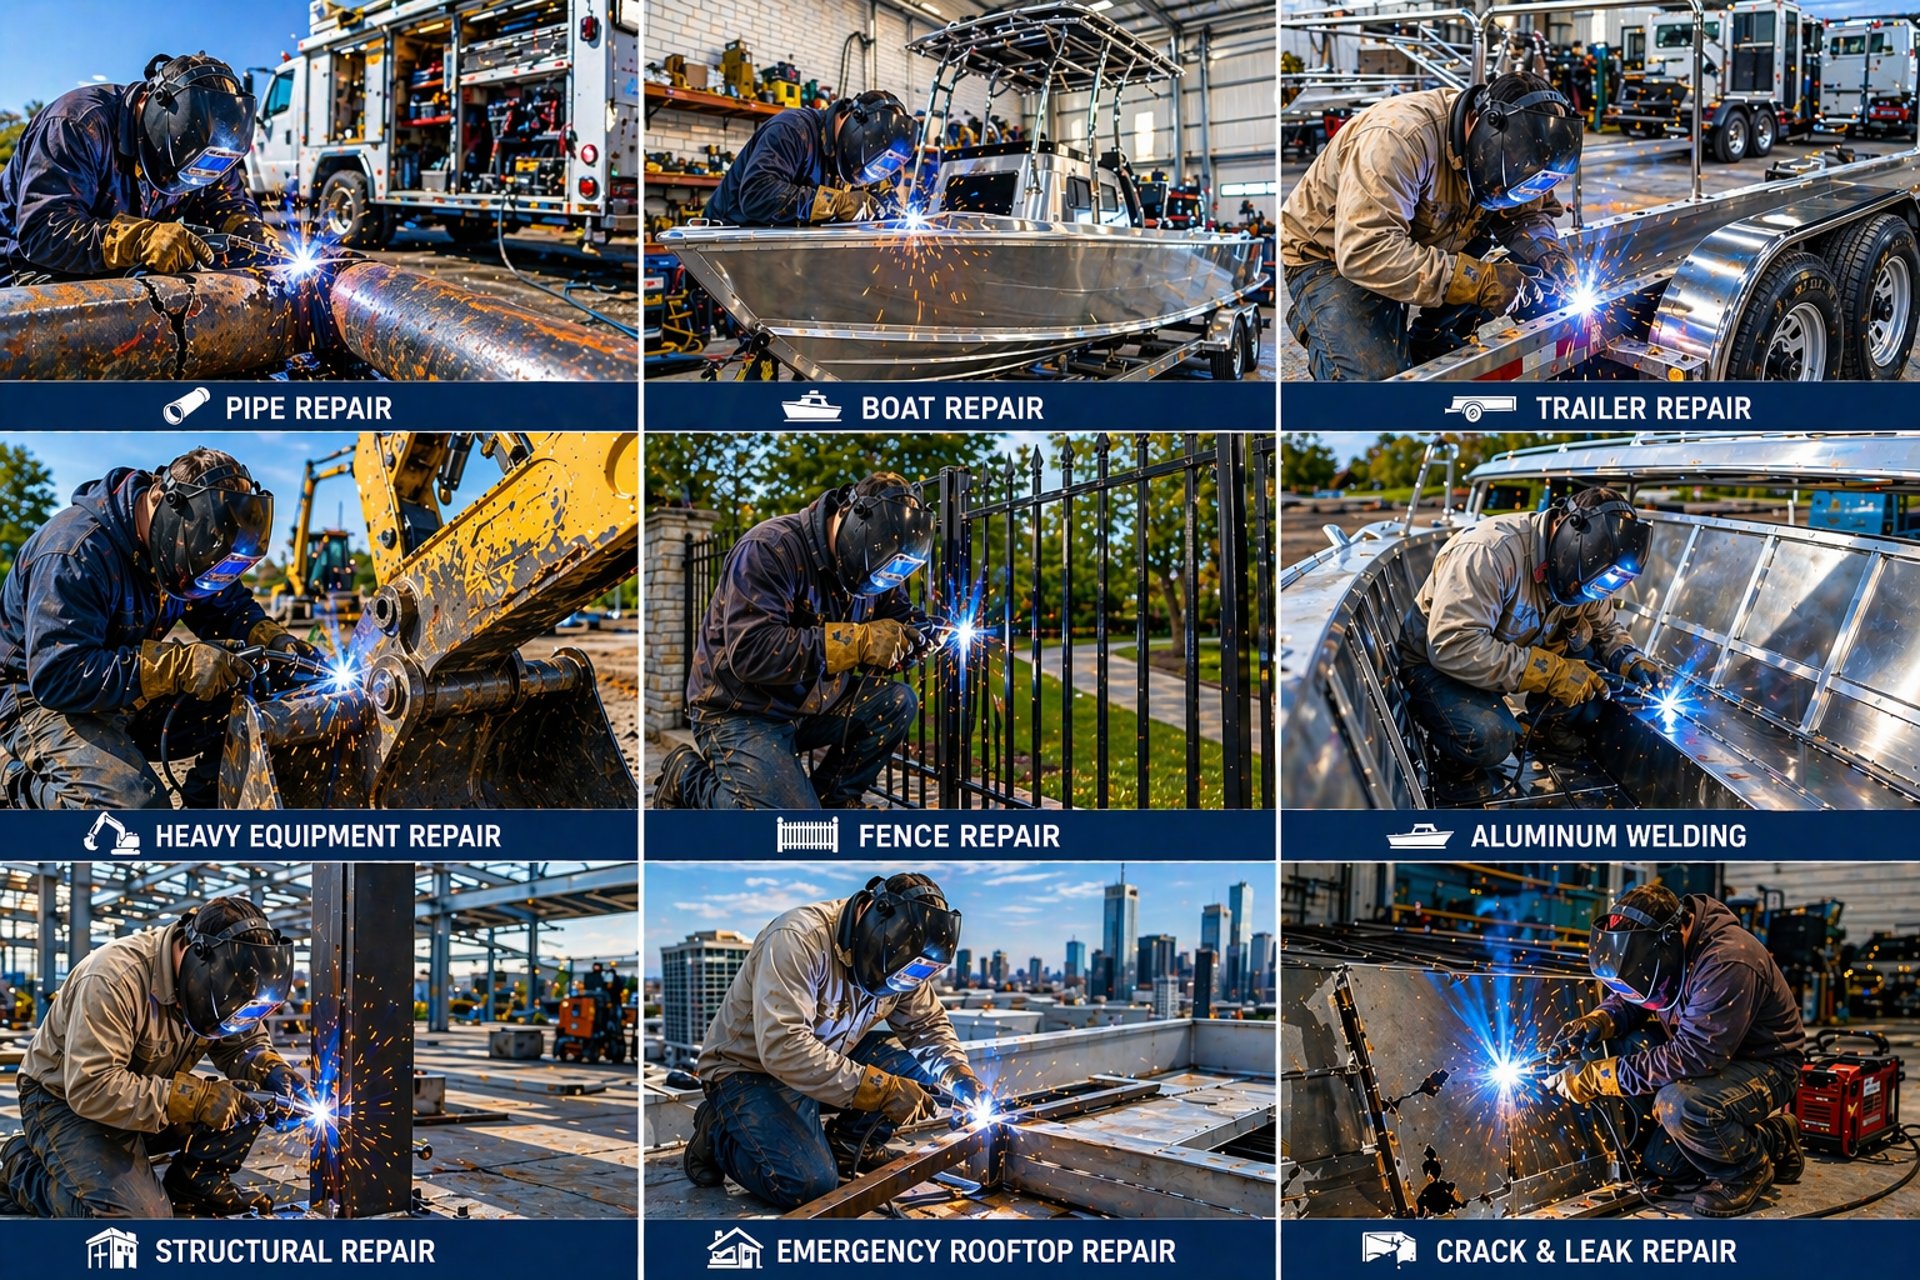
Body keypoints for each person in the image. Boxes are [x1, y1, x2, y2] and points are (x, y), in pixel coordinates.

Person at [0, 447, 321, 810]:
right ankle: (14, 783)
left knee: (258, 691)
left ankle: (204, 809)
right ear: (162, 502)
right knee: (135, 812)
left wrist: (271, 637)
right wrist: (177, 666)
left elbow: (227, 606)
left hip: (122, 687)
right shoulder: (74, 553)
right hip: (38, 698)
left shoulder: (189, 543)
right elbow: (58, 675)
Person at [680, 874, 990, 1209]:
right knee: (808, 1185)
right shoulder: (797, 938)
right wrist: (881, 1090)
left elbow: (927, 1027)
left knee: (921, 1068)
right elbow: (784, 1047)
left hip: (825, 1060)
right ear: (875, 922)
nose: (901, 986)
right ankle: (718, 1130)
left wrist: (960, 1076)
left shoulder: (908, 958)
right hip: (748, 1072)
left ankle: (850, 1146)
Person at [0, 896, 313, 1217]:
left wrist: (269, 1069)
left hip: (143, 1097)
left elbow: (242, 1044)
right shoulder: (113, 977)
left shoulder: (220, 981)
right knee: (138, 1217)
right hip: (64, 1103)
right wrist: (197, 1099)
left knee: (251, 1098)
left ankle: (198, 1183)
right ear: (199, 959)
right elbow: (91, 1087)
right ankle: (20, 1165)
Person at [653, 472, 933, 809]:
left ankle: (835, 801)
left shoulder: (878, 561)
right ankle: (688, 780)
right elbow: (751, 652)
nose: (881, 584)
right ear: (850, 517)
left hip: (815, 704)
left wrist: (921, 635)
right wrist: (860, 642)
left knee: (897, 701)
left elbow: (901, 615)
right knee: (785, 830)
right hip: (741, 710)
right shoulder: (769, 548)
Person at [1280, 72, 1583, 380]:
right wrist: (1481, 282)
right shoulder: (1398, 139)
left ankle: (1429, 339)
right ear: (1486, 128)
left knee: (1499, 263)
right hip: (1334, 256)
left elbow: (1527, 213)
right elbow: (1366, 250)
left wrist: (1546, 251)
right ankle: (1323, 323)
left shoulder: (1515, 149)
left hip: (1430, 235)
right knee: (1378, 384)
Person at [1548, 884, 1806, 1217]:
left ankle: (1746, 1170)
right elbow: (1636, 995)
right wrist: (1599, 1021)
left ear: (1669, 940)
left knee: (1679, 1105)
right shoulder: (1666, 950)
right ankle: (1775, 1137)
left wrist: (1599, 1078)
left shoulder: (1728, 960)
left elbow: (1694, 1055)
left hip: (1764, 1066)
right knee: (1664, 1164)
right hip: (1707, 1053)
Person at [1397, 487, 1657, 804]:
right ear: (1570, 539)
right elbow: (1454, 646)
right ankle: (1455, 760)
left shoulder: (1590, 567)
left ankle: (1545, 729)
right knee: (1491, 737)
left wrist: (1631, 660)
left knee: (1593, 681)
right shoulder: (1488, 552)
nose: (1598, 592)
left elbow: (1605, 627)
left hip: (1503, 655)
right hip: (1438, 665)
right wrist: (1553, 673)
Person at [0, 53, 276, 286]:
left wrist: (250, 233)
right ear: (155, 113)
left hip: (118, 270)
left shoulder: (210, 146)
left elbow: (225, 203)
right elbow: (42, 232)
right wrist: (139, 240)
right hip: (26, 267)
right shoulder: (76, 125)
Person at [703, 90, 915, 226]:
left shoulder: (859, 153)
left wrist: (892, 210)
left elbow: (880, 194)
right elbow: (758, 195)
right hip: (726, 245)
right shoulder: (792, 130)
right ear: (854, 123)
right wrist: (839, 203)